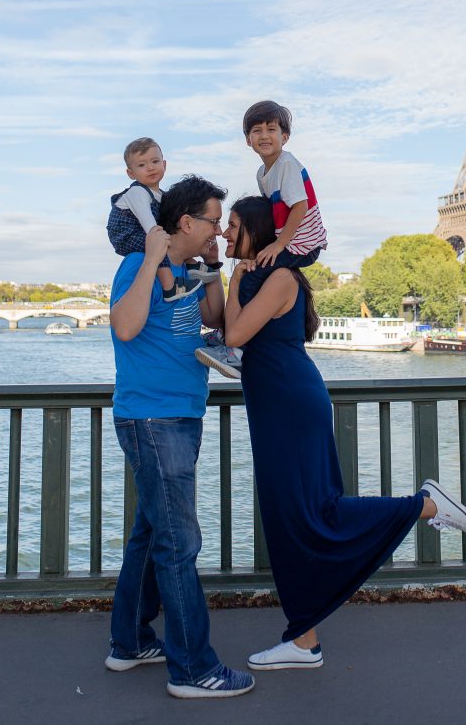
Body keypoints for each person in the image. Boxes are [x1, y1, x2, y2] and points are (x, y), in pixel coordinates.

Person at [222, 196, 466, 671]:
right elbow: (223, 323)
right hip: (277, 404)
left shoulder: (279, 278)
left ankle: (425, 505)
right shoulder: (263, 278)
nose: (224, 234)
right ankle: (303, 641)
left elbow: (234, 336)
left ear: (256, 231)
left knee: (311, 513)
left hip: (289, 406)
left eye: (233, 226)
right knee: (290, 519)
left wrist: (234, 278)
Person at [105, 175, 254, 700]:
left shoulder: (191, 271)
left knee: (150, 536)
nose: (219, 228)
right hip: (153, 419)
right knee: (179, 543)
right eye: (214, 220)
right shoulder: (136, 266)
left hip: (179, 416)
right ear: (185, 222)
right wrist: (150, 258)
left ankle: (130, 643)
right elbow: (124, 327)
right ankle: (193, 669)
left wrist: (213, 271)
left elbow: (212, 318)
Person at [197, 100, 327, 379]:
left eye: (272, 129)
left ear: (285, 137)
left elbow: (300, 206)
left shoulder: (287, 164)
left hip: (302, 243)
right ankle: (227, 340)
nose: (265, 135)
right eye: (257, 130)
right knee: (254, 269)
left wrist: (279, 244)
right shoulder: (263, 173)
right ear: (248, 140)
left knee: (255, 273)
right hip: (290, 240)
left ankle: (234, 349)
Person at [107, 137, 222, 302]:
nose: (150, 168)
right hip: (127, 235)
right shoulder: (137, 193)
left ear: (164, 165)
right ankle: (170, 287)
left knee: (167, 242)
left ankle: (191, 264)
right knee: (158, 245)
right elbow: (151, 229)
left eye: (155, 161)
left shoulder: (161, 195)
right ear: (131, 174)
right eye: (141, 165)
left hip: (144, 231)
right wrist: (164, 241)